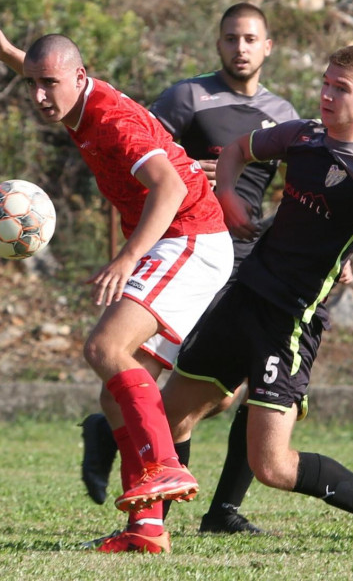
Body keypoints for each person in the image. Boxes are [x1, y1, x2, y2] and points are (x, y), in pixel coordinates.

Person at [152, 44, 353, 555]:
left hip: (289, 321)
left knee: (274, 468)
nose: (326, 95)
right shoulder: (303, 135)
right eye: (325, 82)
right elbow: (238, 150)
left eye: (341, 89)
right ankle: (149, 532)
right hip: (242, 297)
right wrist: (230, 196)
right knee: (169, 415)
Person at [0, 31, 234, 554]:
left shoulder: (112, 120)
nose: (39, 96)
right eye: (32, 85)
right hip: (175, 240)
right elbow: (33, 63)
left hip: (189, 236)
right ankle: (147, 530)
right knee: (114, 397)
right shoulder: (70, 91)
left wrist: (127, 258)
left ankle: (165, 465)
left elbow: (170, 188)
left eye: (49, 85)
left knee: (104, 348)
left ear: (80, 77)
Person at [80, 2, 299, 536]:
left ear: (268, 47)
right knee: (182, 385)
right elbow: (148, 153)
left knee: (230, 391)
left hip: (249, 263)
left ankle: (198, 500)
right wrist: (192, 169)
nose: (240, 48)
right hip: (191, 248)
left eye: (250, 39)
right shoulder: (187, 97)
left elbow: (300, 188)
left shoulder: (283, 113)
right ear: (217, 43)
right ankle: (161, 508)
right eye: (230, 38)